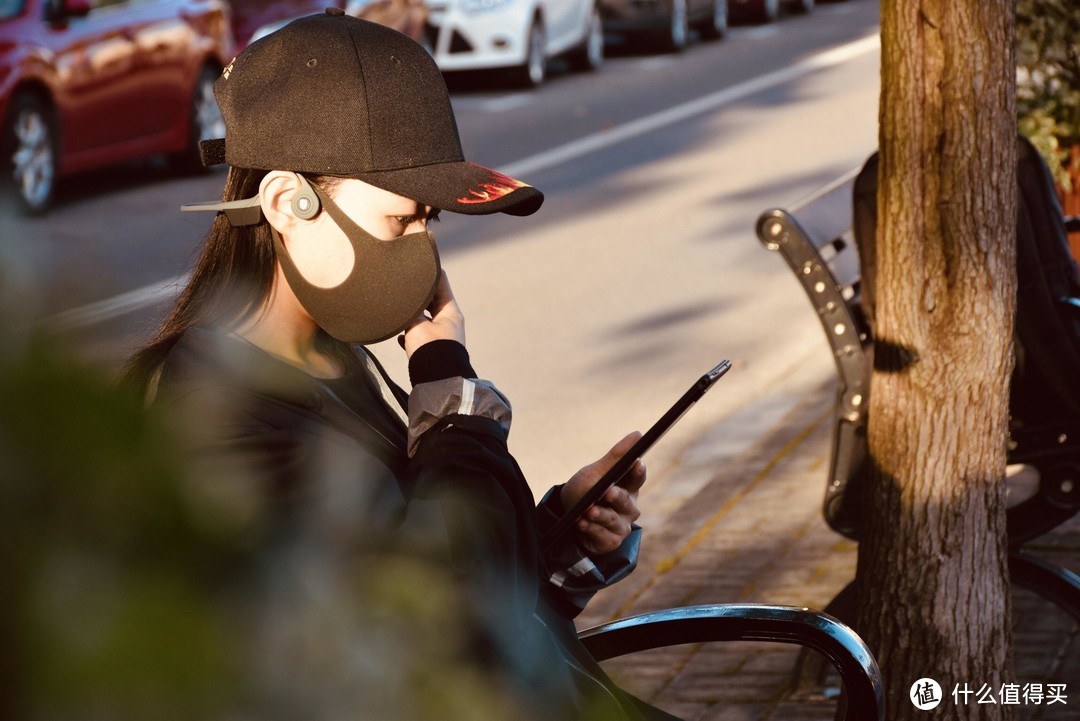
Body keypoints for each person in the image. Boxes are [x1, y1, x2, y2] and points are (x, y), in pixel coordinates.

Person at [123, 9, 677, 720]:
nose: (424, 251)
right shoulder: (207, 408)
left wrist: (565, 529)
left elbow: (468, 594)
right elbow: (442, 638)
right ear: (288, 204)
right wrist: (449, 387)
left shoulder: (336, 361)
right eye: (402, 219)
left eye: (430, 222)